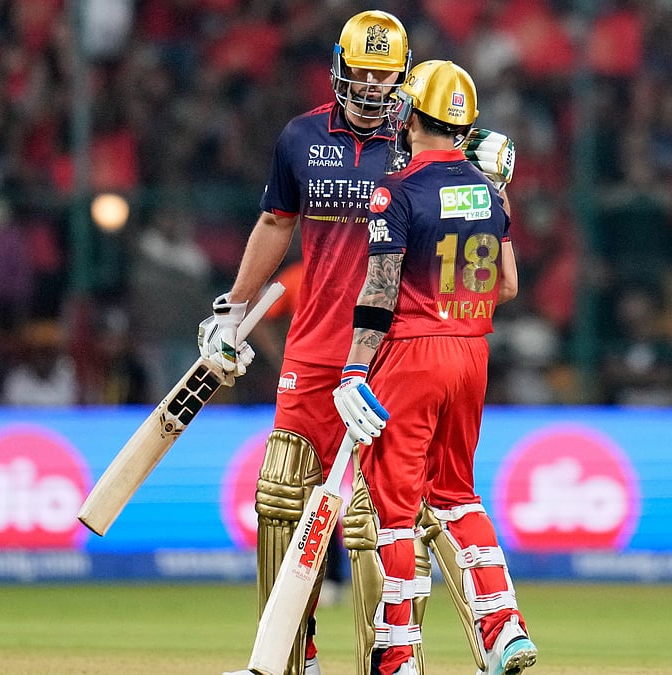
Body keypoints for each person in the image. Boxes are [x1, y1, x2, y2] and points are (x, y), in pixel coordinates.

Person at [200, 12, 517, 675]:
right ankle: (288, 660)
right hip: (314, 352)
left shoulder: (428, 142)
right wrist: (233, 308)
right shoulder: (301, 137)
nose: (373, 87)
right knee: (281, 498)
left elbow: (485, 183)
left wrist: (495, 162)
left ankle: (391, 660)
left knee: (380, 518)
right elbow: (272, 222)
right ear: (340, 68)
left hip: (392, 355)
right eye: (362, 73)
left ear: (405, 80)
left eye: (385, 75)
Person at [331, 61, 536, 675]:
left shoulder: (396, 190)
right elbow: (508, 285)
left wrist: (352, 371)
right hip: (473, 352)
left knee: (394, 507)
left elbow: (380, 288)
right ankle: (504, 627)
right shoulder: (489, 192)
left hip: (413, 355)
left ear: (411, 116)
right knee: (456, 495)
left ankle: (397, 651)